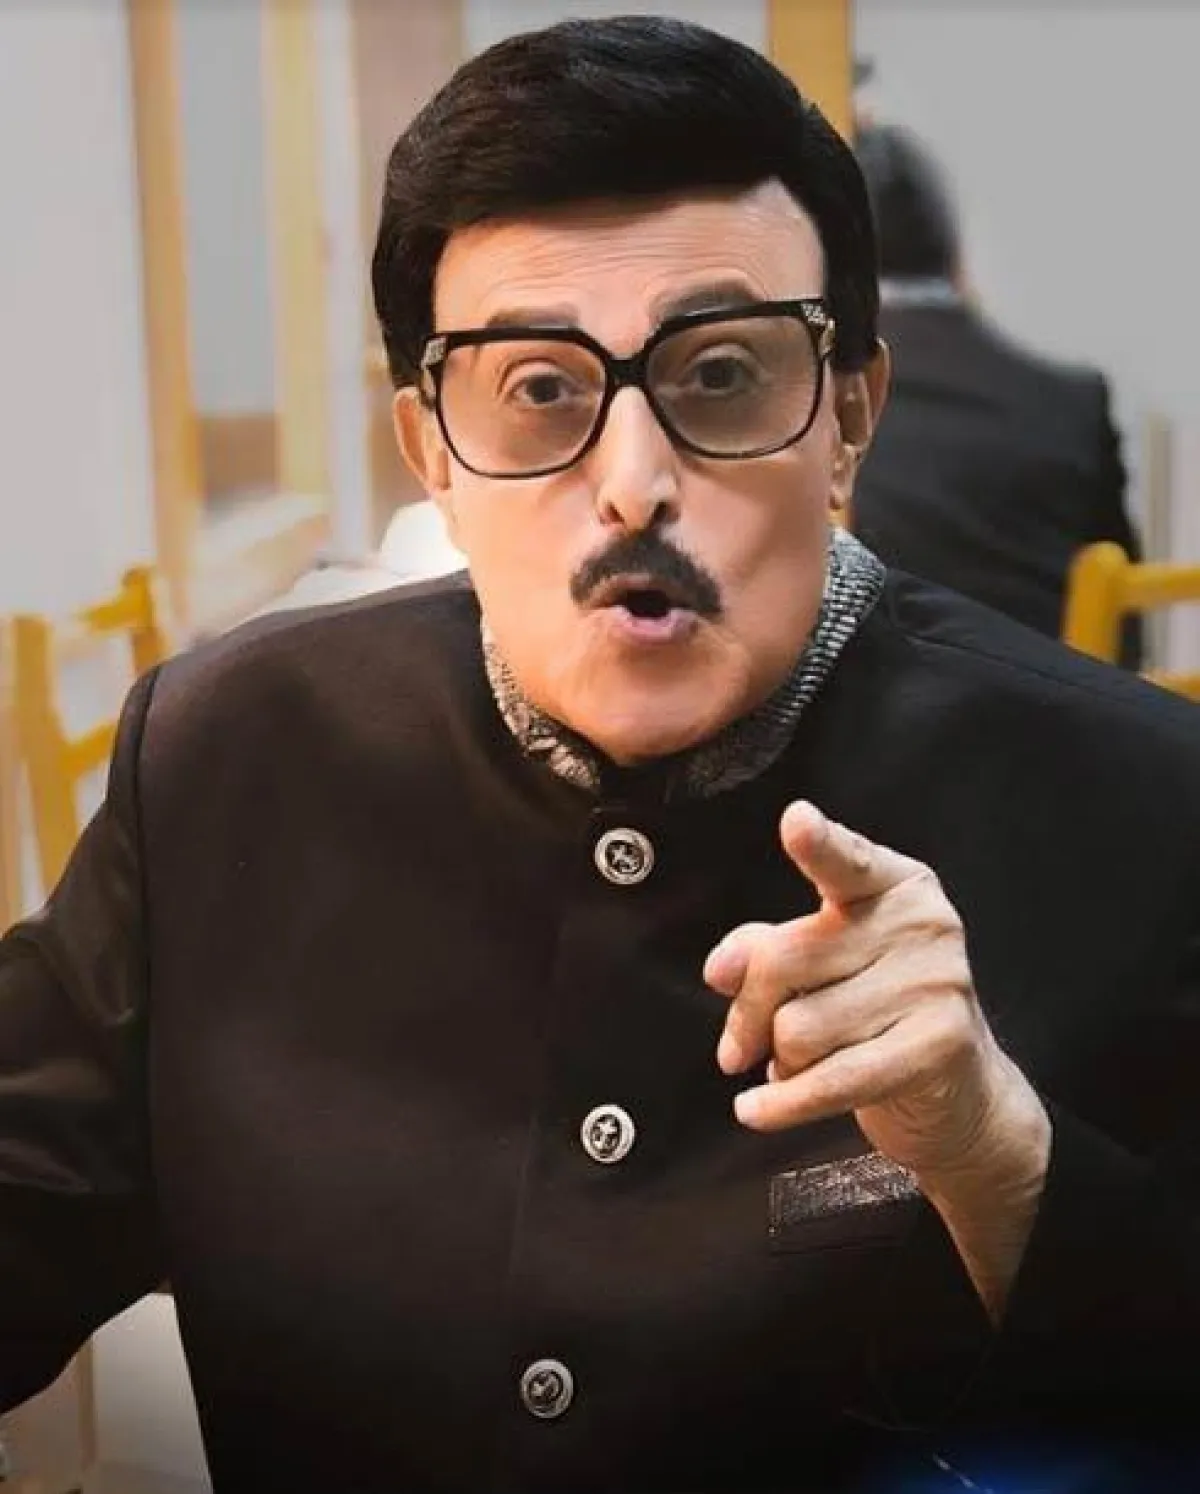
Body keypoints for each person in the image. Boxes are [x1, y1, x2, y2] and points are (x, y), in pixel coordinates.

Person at [2, 17, 1198, 1493]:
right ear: (430, 451)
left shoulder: (1137, 802)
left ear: (848, 418)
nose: (633, 484)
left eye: (723, 373)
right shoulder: (226, 760)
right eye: (538, 390)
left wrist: (997, 1152)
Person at [851, 122, 1146, 668]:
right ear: (956, 261)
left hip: (891, 717)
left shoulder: (817, 407)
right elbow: (1129, 634)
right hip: (1072, 713)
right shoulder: (1073, 401)